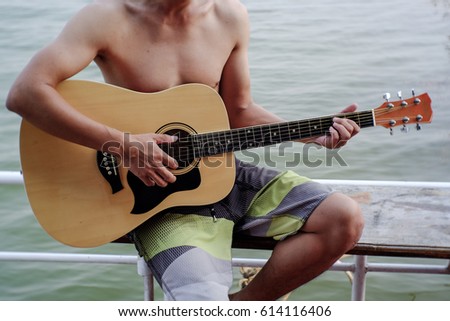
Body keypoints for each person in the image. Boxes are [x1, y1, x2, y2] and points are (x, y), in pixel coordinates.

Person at [6, 0, 364, 300]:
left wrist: (313, 136)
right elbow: (26, 93)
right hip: (155, 199)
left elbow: (237, 110)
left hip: (225, 173)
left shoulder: (229, 16)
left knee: (343, 219)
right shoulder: (107, 17)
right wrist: (124, 145)